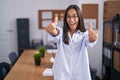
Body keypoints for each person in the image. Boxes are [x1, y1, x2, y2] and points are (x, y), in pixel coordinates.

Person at [45, 5, 98, 80]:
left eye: (74, 16)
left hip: (79, 74)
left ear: (79, 18)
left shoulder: (84, 34)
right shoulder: (61, 32)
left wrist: (92, 39)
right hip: (62, 74)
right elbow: (56, 33)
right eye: (68, 17)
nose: (71, 20)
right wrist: (53, 31)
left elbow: (89, 41)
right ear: (65, 19)